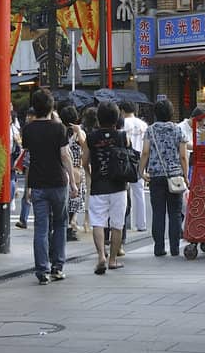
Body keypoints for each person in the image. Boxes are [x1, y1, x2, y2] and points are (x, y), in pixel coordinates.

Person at [19, 89, 78, 284]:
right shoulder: (58, 128)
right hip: (58, 182)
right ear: (51, 107)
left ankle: (42, 270)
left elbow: (28, 159)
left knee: (41, 227)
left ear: (34, 108)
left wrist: (27, 186)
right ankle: (57, 267)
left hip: (37, 183)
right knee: (60, 224)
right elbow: (64, 155)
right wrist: (73, 182)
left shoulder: (27, 129)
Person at [139, 99, 189, 258]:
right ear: (171, 113)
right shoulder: (177, 130)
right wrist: (185, 175)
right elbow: (183, 156)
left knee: (158, 212)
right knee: (175, 213)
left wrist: (141, 170)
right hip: (175, 176)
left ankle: (159, 247)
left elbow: (145, 152)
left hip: (156, 176)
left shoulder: (150, 130)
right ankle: (175, 248)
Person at [85, 103, 130, 275]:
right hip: (118, 185)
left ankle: (100, 257)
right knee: (117, 224)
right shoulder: (122, 136)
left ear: (99, 117)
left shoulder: (90, 137)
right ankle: (112, 260)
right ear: (116, 117)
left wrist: (91, 176)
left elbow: (84, 162)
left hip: (98, 185)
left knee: (98, 222)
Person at [118, 102, 149, 232]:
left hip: (125, 160)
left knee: (123, 192)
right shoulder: (143, 125)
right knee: (139, 193)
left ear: (123, 110)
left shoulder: (123, 124)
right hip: (140, 160)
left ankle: (123, 223)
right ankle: (141, 224)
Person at [59, 105, 87, 242]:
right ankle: (69, 227)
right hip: (75, 169)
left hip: (65, 170)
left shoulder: (60, 131)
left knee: (69, 202)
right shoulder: (74, 132)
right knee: (73, 202)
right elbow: (85, 147)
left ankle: (69, 227)